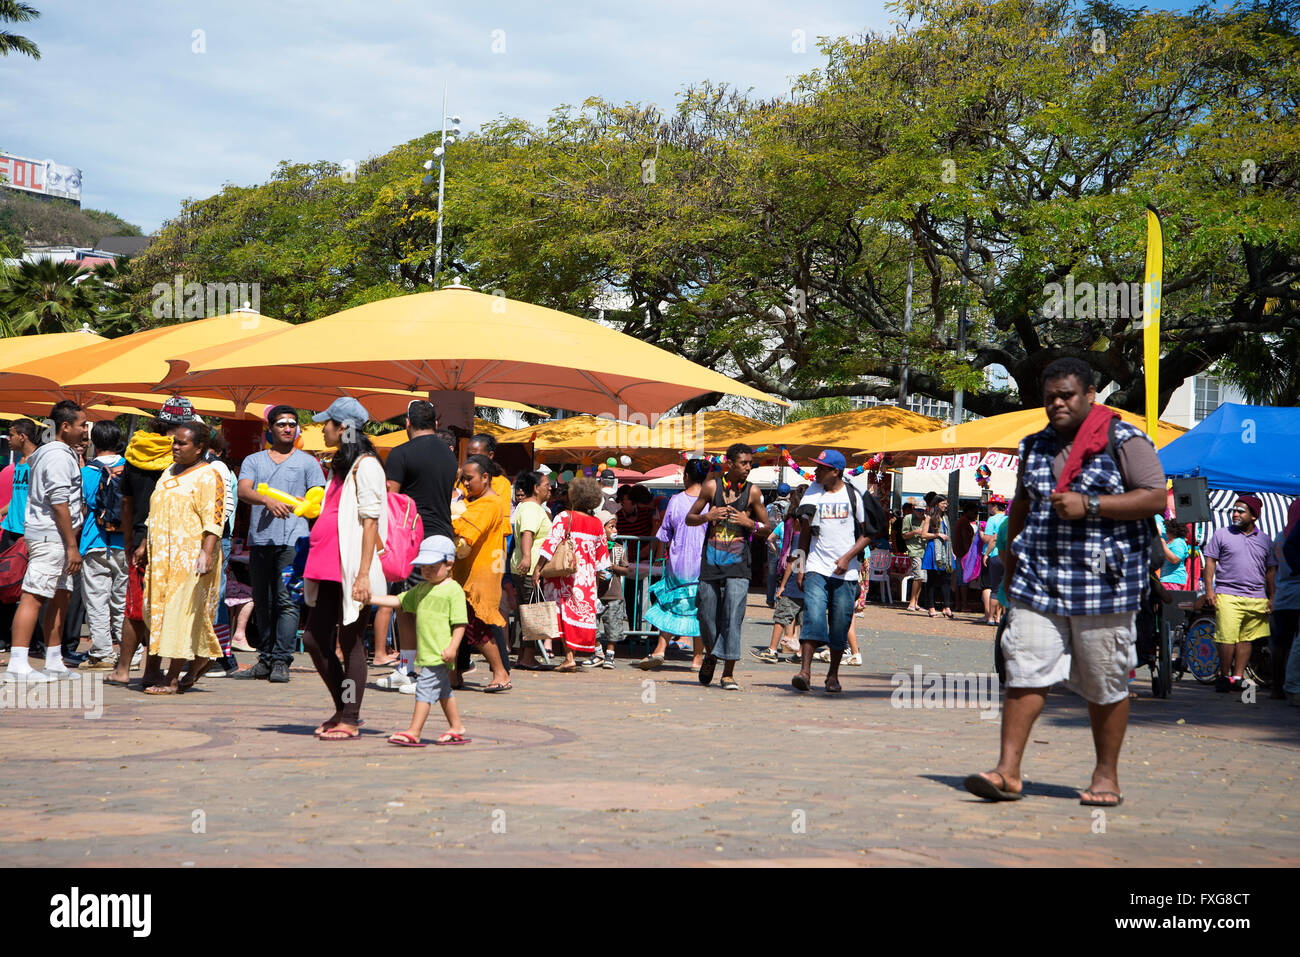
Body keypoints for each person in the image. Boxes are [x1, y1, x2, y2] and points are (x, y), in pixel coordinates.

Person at [965, 357, 1166, 807]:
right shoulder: (1033, 445)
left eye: (1066, 396)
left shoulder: (1124, 439)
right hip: (1039, 581)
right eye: (1049, 397)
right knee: (1023, 669)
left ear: (1090, 395)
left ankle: (1106, 776)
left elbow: (1155, 497)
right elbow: (1021, 505)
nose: (1057, 404)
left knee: (1104, 680)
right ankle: (1007, 772)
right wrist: (1011, 565)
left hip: (1104, 585)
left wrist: (1091, 505)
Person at [299, 397, 384, 740]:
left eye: (328, 423)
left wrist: (363, 574)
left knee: (350, 642)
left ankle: (349, 716)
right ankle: (342, 709)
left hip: (350, 568)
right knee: (314, 639)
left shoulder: (367, 466)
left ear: (343, 428)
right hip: (326, 565)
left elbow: (371, 522)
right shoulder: (342, 464)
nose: (324, 429)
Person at [234, 404, 326, 684]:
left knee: (287, 601)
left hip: (293, 542)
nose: (288, 428)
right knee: (263, 602)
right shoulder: (254, 460)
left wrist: (309, 502)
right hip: (261, 540)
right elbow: (243, 490)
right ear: (270, 429)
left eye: (292, 424)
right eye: (282, 424)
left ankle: (281, 660)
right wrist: (267, 500)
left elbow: (318, 495)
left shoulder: (308, 462)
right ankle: (265, 659)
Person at [108, 401, 192, 689]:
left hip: (137, 537)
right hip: (168, 539)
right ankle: (151, 670)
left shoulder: (136, 450)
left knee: (135, 606)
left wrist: (129, 539)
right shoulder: (180, 458)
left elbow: (126, 502)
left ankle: (122, 669)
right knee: (160, 607)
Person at [2, 401, 87, 683]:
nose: (85, 430)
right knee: (34, 596)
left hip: (57, 536)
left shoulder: (55, 453)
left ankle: (53, 661)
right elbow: (59, 502)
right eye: (81, 425)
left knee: (61, 595)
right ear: (65, 426)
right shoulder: (58, 456)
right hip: (52, 537)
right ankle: (18, 664)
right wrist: (72, 546)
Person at [375, 400, 456, 685]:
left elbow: (391, 501)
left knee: (407, 606)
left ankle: (413, 671)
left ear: (407, 423)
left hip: (414, 539)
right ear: (436, 423)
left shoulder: (401, 453)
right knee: (430, 606)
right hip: (444, 536)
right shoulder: (449, 456)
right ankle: (418, 671)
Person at [141, 421, 224, 695]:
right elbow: (155, 510)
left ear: (199, 448)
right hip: (161, 557)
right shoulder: (169, 471)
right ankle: (202, 658)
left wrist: (206, 553)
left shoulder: (209, 475)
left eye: (182, 443)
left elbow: (214, 519)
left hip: (191, 557)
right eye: (174, 442)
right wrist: (143, 545)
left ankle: (172, 678)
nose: (175, 447)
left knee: (181, 614)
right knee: (156, 611)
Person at [685, 443, 770, 691]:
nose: (748, 467)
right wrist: (707, 517)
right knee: (706, 617)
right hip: (711, 565)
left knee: (733, 618)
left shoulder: (753, 492)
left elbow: (768, 529)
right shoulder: (712, 487)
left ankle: (728, 674)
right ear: (730, 464)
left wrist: (749, 523)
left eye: (750, 463)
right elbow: (689, 518)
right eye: (743, 463)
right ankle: (712, 655)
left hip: (739, 567)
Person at [371, 535, 470, 746]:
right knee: (443, 691)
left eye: (432, 566)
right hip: (428, 653)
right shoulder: (422, 588)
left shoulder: (453, 590)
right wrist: (369, 598)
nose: (427, 571)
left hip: (440, 653)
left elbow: (460, 623)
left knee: (424, 689)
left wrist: (453, 647)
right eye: (423, 566)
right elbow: (398, 600)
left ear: (449, 564)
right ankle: (456, 727)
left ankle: (414, 731)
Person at [790, 450, 874, 694]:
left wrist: (848, 557)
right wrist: (800, 567)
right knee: (813, 617)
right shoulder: (813, 493)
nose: (816, 472)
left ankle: (832, 676)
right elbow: (804, 534)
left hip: (846, 574)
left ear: (835, 471)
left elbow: (869, 532)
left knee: (839, 624)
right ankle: (805, 673)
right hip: (816, 567)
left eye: (821, 468)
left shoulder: (853, 494)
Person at [534, 475, 610, 673]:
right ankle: (571, 657)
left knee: (563, 614)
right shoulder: (597, 524)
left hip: (564, 575)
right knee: (576, 615)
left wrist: (538, 568)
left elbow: (550, 544)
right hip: (586, 578)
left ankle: (569, 658)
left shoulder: (564, 517)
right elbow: (603, 559)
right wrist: (597, 579)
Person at [639, 458, 709, 670]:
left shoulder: (676, 500)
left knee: (670, 604)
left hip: (678, 562)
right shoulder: (711, 502)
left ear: (686, 476)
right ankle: (697, 658)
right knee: (700, 609)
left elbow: (665, 533)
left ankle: (660, 649)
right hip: (703, 563)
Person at [1202, 494, 1277, 694]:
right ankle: (1224, 676)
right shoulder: (1222, 534)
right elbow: (1210, 561)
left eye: (1240, 511)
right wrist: (1209, 590)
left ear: (1253, 516)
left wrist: (1272, 597)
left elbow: (1271, 570)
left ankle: (1237, 677)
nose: (1235, 514)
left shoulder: (1265, 540)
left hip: (1257, 597)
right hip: (1228, 594)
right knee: (1226, 637)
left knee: (1246, 639)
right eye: (1234, 510)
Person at [450, 455, 512, 691]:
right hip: (471, 572)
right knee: (457, 623)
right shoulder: (478, 502)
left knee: (477, 626)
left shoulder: (489, 504)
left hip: (480, 574)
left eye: (469, 479)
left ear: (485, 478)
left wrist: (448, 516)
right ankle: (453, 675)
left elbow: (465, 531)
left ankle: (500, 673)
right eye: (463, 479)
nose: (465, 484)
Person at [79, 420, 128, 671]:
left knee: (97, 601)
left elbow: (81, 508)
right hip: (125, 543)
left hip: (94, 541)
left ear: (94, 442)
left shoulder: (86, 472)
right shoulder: (129, 468)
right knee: (123, 601)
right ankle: (132, 653)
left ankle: (102, 653)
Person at [0, 419, 40, 652]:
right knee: (4, 583)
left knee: (27, 588)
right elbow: (18, 496)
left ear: (23, 437)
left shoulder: (37, 462)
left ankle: (30, 640)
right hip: (10, 530)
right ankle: (3, 637)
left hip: (28, 533)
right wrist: (2, 512)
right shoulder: (20, 462)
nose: (8, 438)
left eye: (11, 434)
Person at [205, 430, 240, 676]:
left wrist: (210, 538)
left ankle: (221, 656)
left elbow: (223, 509)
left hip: (217, 538)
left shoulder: (217, 467)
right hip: (214, 538)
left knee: (215, 597)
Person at [510, 470, 552, 670]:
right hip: (530, 568)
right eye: (546, 485)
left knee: (524, 613)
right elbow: (528, 532)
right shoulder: (531, 509)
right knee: (532, 612)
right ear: (535, 488)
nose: (550, 489)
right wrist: (527, 558)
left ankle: (523, 656)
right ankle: (527, 656)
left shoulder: (530, 507)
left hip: (528, 567)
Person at [589, 509, 628, 668]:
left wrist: (614, 567)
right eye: (611, 527)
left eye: (615, 527)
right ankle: (598, 652)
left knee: (613, 625)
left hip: (614, 594)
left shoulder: (619, 548)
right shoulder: (593, 548)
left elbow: (626, 569)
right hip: (595, 594)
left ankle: (610, 654)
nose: (615, 530)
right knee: (592, 625)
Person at [1268, 501, 1298, 702]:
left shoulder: (1279, 537)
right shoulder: (1296, 537)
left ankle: (1276, 687)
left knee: (1280, 643)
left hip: (1282, 596)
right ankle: (1292, 685)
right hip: (1297, 595)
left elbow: (1272, 570)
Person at [920, 497, 954, 619]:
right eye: (943, 503)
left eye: (946, 503)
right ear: (937, 504)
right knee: (932, 580)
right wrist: (937, 535)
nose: (945, 505)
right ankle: (931, 607)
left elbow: (948, 536)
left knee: (947, 578)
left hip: (946, 551)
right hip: (933, 549)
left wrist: (951, 551)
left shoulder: (945, 518)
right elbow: (923, 534)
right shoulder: (929, 517)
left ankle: (946, 607)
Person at [979, 496, 1008, 625]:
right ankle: (999, 617)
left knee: (989, 586)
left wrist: (980, 532)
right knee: (1004, 587)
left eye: (990, 505)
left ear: (995, 506)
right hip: (1006, 556)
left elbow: (988, 539)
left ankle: (989, 616)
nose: (988, 507)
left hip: (993, 555)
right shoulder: (1008, 518)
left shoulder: (992, 519)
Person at [901, 497, 927, 611]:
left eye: (922, 510)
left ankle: (916, 602)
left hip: (925, 550)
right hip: (914, 549)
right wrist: (915, 532)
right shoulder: (908, 518)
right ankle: (911, 602)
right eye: (918, 510)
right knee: (918, 576)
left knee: (922, 578)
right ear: (913, 509)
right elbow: (904, 535)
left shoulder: (927, 519)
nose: (920, 512)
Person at [1157, 519, 1191, 590]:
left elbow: (1175, 559)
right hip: (1168, 579)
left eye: (1167, 529)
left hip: (1172, 580)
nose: (1165, 531)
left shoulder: (1178, 542)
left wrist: (1162, 543)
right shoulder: (1172, 541)